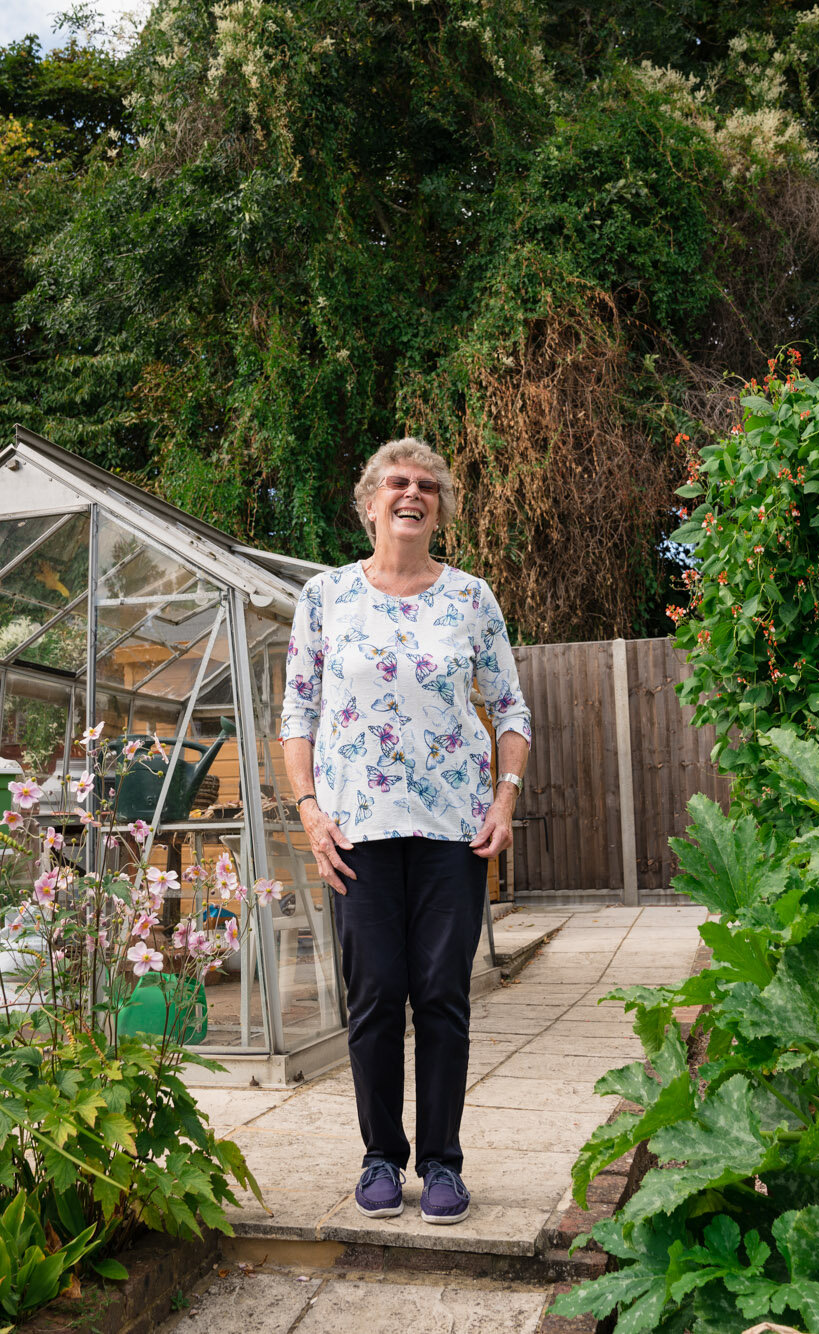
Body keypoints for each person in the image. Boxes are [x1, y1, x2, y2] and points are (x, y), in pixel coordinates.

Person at [281, 436, 532, 1227]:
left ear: (439, 508)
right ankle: (381, 1158)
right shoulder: (324, 599)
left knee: (443, 998)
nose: (412, 493)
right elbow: (297, 716)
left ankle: (444, 1166)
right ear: (369, 502)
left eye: (428, 485)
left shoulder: (470, 598)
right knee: (377, 997)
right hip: (357, 835)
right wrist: (310, 809)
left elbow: (512, 711)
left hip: (454, 834)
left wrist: (505, 799)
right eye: (398, 482)